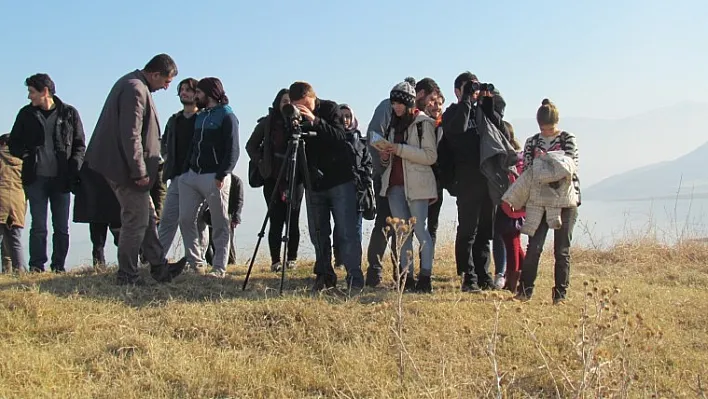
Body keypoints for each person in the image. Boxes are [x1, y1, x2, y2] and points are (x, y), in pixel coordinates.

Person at [83, 53, 186, 285]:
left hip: (124, 167)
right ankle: (127, 275)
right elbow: (131, 134)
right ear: (155, 74)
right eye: (166, 81)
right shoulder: (135, 89)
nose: (167, 87)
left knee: (146, 216)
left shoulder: (133, 84)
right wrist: (139, 170)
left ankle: (160, 267)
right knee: (136, 220)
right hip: (126, 170)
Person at [364, 77, 440, 287]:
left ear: (408, 103)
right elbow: (389, 160)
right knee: (402, 234)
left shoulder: (423, 124)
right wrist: (385, 155)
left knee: (420, 231)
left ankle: (425, 277)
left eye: (399, 103)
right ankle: (407, 278)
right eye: (393, 103)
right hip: (394, 185)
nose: (395, 106)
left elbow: (429, 156)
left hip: (418, 186)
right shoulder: (392, 125)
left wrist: (398, 149)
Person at [442, 71, 513, 293]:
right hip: (466, 178)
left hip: (487, 178)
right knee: (467, 231)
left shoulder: (482, 111)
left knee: (485, 231)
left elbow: (502, 132)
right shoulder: (452, 113)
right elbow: (458, 129)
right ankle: (468, 277)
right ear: (457, 90)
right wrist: (465, 100)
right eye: (467, 87)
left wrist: (488, 102)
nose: (472, 91)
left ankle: (484, 276)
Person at [289, 81, 363, 291]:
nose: (302, 110)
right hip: (314, 184)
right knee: (318, 232)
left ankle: (354, 278)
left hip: (340, 181)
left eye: (304, 104)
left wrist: (315, 121)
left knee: (347, 232)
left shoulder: (330, 109)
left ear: (312, 97)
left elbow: (340, 137)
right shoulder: (295, 118)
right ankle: (324, 276)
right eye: (297, 106)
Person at [8, 73, 86, 273]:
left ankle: (58, 266)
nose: (29, 97)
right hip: (35, 178)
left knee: (61, 227)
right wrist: (26, 154)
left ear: (45, 91)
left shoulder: (69, 113)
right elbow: (14, 142)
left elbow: (79, 145)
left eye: (31, 92)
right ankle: (36, 267)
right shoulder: (25, 114)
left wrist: (74, 168)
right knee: (39, 226)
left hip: (62, 178)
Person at [505, 99, 580, 304]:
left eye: (550, 128)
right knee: (534, 246)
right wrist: (552, 165)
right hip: (538, 201)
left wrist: (544, 165)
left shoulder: (567, 138)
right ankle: (525, 291)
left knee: (561, 249)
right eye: (543, 128)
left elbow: (569, 166)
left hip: (565, 200)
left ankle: (560, 296)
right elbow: (529, 170)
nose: (547, 132)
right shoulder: (532, 141)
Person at [178, 77, 239, 278]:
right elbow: (193, 145)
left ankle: (219, 268)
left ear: (210, 93)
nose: (196, 96)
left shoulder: (227, 116)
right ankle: (196, 262)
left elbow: (233, 150)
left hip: (215, 176)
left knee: (220, 223)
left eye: (199, 93)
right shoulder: (201, 116)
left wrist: (222, 174)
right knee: (186, 218)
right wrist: (186, 169)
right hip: (192, 175)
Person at [245, 88, 303, 272]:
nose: (288, 105)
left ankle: (292, 258)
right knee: (275, 218)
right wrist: (262, 163)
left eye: (291, 101)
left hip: (295, 176)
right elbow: (250, 145)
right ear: (278, 103)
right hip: (272, 176)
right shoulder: (268, 123)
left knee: (293, 219)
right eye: (284, 101)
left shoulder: (300, 122)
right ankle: (276, 261)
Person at [159, 77, 209, 258]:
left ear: (197, 93)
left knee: (196, 222)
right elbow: (164, 142)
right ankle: (157, 260)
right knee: (167, 220)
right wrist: (167, 158)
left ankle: (197, 261)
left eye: (188, 89)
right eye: (181, 90)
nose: (184, 93)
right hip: (177, 176)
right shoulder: (174, 120)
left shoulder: (204, 118)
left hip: (197, 177)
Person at [332, 104, 372, 268]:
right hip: (338, 189)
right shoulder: (332, 141)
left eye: (348, 116)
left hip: (358, 191)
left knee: (356, 228)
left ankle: (355, 262)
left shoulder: (361, 142)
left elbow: (368, 163)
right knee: (339, 226)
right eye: (341, 116)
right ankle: (339, 259)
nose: (345, 119)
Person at [496, 121, 526, 292]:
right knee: (515, 242)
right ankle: (523, 274)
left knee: (511, 242)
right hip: (519, 207)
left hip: (509, 206)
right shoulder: (520, 156)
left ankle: (512, 282)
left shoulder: (509, 159)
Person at [0, 133, 27, 273]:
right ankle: (19, 270)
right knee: (14, 239)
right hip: (17, 202)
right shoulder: (23, 160)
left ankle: (6, 270)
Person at [204, 174, 244, 266]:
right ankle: (212, 262)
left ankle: (230, 262)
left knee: (227, 240)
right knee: (208, 240)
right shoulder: (211, 179)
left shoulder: (236, 181)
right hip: (211, 214)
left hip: (228, 215)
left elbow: (239, 200)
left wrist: (236, 216)